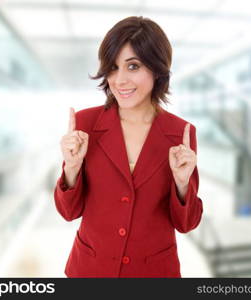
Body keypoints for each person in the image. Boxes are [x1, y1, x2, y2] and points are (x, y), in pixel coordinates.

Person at [54, 16, 203, 278]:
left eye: (133, 66)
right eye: (113, 67)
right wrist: (72, 169)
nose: (119, 80)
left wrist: (181, 185)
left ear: (157, 70)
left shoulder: (181, 134)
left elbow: (187, 223)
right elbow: (68, 212)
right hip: (91, 270)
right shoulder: (86, 124)